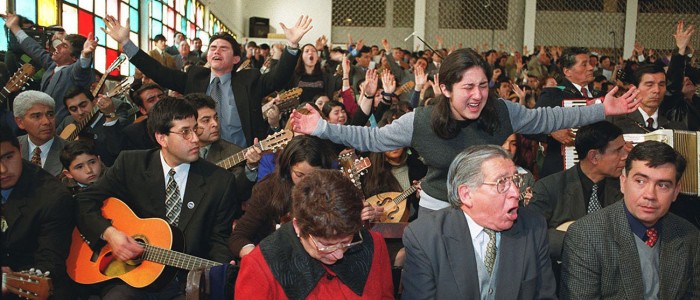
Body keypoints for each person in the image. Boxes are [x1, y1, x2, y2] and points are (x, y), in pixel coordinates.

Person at [291, 48, 640, 214]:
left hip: (485, 210)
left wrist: (602, 109)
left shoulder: (501, 111)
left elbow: (546, 119)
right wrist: (321, 126)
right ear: (445, 88)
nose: (478, 96)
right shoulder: (421, 120)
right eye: (467, 87)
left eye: (484, 86)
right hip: (435, 209)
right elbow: (371, 139)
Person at [76, 97, 238, 298]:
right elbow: (84, 201)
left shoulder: (220, 181)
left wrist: (219, 272)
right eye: (185, 132)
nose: (195, 138)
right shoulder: (131, 164)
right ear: (162, 138)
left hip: (184, 281)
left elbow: (219, 239)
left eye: (194, 129)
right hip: (131, 275)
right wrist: (110, 234)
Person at [102, 14, 312, 148]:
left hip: (244, 156)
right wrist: (126, 43)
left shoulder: (250, 80)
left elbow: (279, 77)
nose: (216, 51)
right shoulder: (195, 78)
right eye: (212, 48)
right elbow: (158, 71)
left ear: (236, 59)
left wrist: (292, 45)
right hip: (200, 157)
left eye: (223, 48)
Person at [401, 144, 557, 299]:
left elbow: (544, 295)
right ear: (466, 194)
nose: (515, 193)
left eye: (515, 180)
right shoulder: (424, 237)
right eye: (502, 183)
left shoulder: (533, 227)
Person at [561, 141, 699, 299]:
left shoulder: (689, 236)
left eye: (662, 185)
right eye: (640, 181)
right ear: (623, 182)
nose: (650, 195)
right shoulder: (586, 236)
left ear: (675, 192)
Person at [235, 169, 394, 299]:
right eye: (325, 245)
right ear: (298, 227)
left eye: (346, 242)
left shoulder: (373, 245)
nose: (338, 254)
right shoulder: (261, 265)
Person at [228, 135, 336, 259]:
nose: (306, 181)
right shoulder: (269, 189)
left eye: (314, 175)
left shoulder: (332, 188)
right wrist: (258, 259)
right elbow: (238, 237)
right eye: (299, 174)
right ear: (287, 168)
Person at [0, 124, 75, 300]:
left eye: (8, 157)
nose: (2, 170)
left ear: (19, 149)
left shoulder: (53, 197)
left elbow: (49, 264)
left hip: (29, 284)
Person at [4, 12, 96, 124]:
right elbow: (32, 47)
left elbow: (82, 67)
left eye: (64, 46)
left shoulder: (75, 72)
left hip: (65, 131)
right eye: (60, 43)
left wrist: (85, 55)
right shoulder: (52, 65)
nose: (57, 46)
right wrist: (15, 27)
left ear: (75, 58)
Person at [184, 93, 260, 210]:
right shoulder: (178, 151)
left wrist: (251, 167)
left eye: (216, 118)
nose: (215, 124)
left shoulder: (232, 151)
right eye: (206, 120)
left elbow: (239, 192)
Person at [536, 47, 604, 178]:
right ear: (567, 71)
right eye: (584, 64)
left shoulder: (602, 96)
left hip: (597, 173)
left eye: (590, 63)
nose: (591, 68)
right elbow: (529, 126)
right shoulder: (553, 94)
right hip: (560, 171)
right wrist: (551, 131)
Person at [57, 87, 132, 166]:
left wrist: (110, 114)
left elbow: (118, 150)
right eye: (73, 109)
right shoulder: (68, 122)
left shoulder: (112, 121)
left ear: (94, 102)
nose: (80, 112)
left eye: (83, 105)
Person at [13, 90, 68, 176]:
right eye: (37, 116)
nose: (46, 122)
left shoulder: (70, 151)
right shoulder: (11, 147)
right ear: (20, 122)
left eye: (50, 115)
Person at [120, 83, 164, 150]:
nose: (159, 101)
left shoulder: (183, 120)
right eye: (151, 100)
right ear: (143, 110)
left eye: (161, 97)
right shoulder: (134, 134)